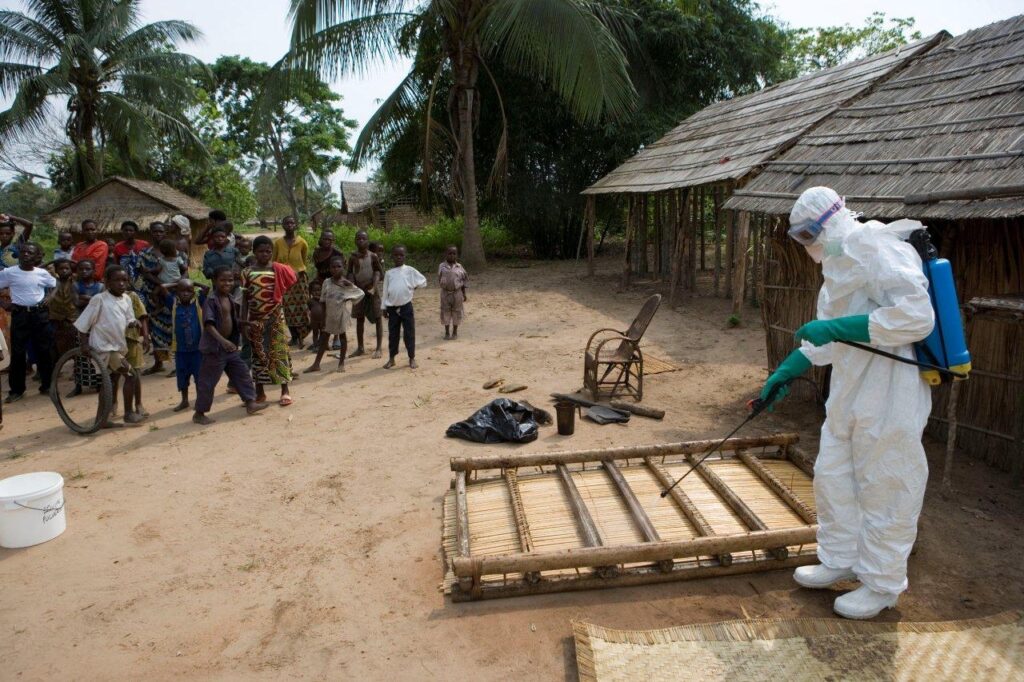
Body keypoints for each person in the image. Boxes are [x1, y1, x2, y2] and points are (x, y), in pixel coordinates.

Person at [759, 186, 935, 620]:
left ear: (829, 222)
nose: (805, 246)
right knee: (833, 474)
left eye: (807, 235)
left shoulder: (875, 245)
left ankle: (881, 584)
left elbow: (917, 315)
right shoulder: (836, 267)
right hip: (850, 387)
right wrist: (785, 372)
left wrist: (837, 327)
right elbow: (826, 338)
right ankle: (839, 557)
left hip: (891, 387)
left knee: (885, 482)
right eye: (797, 237)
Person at [193, 267, 269, 424]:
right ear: (214, 281)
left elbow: (234, 321)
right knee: (208, 382)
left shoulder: (230, 299)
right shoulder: (211, 301)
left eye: (230, 280)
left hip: (230, 347)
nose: (227, 283)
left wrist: (248, 323)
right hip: (215, 348)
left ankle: (250, 402)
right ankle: (199, 413)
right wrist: (223, 341)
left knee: (242, 373)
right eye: (223, 280)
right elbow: (208, 325)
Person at [74, 265, 142, 426]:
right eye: (117, 280)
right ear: (107, 282)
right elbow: (83, 325)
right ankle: (128, 413)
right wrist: (84, 345)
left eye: (124, 280)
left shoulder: (126, 299)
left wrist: (134, 322)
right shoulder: (99, 299)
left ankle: (101, 420)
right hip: (104, 348)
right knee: (131, 375)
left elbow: (129, 318)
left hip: (118, 346)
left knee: (109, 383)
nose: (121, 284)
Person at [242, 236, 296, 406]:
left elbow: (291, 281)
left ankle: (285, 390)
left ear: (272, 252)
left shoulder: (278, 270)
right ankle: (260, 392)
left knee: (279, 353)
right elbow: (245, 299)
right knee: (258, 355)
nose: (265, 254)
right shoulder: (247, 273)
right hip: (255, 320)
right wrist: (244, 321)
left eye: (268, 251)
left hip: (275, 318)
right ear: (254, 252)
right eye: (260, 251)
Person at [0, 243, 55, 402]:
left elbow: (54, 285)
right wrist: (3, 304)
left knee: (44, 350)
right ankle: (17, 390)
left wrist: (49, 298)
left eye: (30, 253)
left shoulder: (42, 273)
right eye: (23, 252)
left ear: (37, 256)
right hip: (20, 315)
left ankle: (47, 385)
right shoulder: (10, 273)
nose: (25, 255)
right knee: (18, 353)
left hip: (39, 315)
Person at [305, 256, 363, 373]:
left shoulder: (345, 284)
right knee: (324, 339)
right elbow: (322, 300)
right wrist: (323, 316)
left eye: (338, 266)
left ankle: (341, 363)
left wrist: (348, 296)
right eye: (333, 267)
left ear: (343, 267)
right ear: (329, 268)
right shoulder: (327, 282)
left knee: (342, 338)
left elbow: (360, 293)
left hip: (340, 315)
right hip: (328, 316)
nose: (336, 269)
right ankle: (316, 364)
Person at [158, 278, 208, 412]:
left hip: (197, 349)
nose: (185, 293)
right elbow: (163, 286)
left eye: (189, 291)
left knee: (199, 376)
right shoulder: (173, 303)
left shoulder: (199, 302)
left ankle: (199, 400)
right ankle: (184, 400)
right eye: (182, 291)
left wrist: (194, 283)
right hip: (180, 349)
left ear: (193, 292)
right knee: (182, 376)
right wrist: (178, 283)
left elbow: (206, 288)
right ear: (176, 292)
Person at [381, 245, 426, 370]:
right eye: (396, 255)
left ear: (405, 256)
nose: (399, 257)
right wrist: (384, 307)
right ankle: (392, 358)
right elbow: (385, 291)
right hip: (392, 309)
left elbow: (423, 281)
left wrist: (413, 286)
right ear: (392, 257)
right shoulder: (389, 273)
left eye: (401, 255)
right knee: (393, 334)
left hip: (406, 307)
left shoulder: (410, 270)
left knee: (409, 333)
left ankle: (411, 357)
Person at [138, 223, 172, 375]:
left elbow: (184, 271)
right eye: (155, 231)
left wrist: (170, 285)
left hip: (172, 294)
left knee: (177, 329)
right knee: (156, 330)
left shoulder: (175, 252)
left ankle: (179, 365)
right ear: (150, 233)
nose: (158, 234)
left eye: (161, 231)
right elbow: (145, 274)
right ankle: (159, 363)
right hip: (153, 296)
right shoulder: (145, 253)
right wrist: (162, 284)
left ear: (165, 233)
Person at [273, 216, 310, 346]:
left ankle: (302, 336)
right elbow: (274, 261)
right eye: (287, 223)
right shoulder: (278, 243)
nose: (289, 225)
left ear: (296, 225)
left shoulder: (302, 242)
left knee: (303, 307)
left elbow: (304, 260)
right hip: (284, 281)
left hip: (299, 279)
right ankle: (294, 336)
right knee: (288, 308)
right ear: (282, 225)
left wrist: (296, 272)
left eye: (292, 222)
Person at [346, 230, 383, 358]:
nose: (361, 241)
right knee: (359, 319)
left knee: (378, 317)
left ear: (368, 241)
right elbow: (349, 273)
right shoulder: (352, 257)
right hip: (358, 292)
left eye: (363, 239)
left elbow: (379, 272)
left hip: (372, 291)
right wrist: (352, 285)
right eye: (358, 239)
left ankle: (379, 348)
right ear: (355, 241)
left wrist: (374, 284)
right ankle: (360, 347)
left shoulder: (373, 256)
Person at [120, 288, 151, 420]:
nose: (121, 284)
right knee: (113, 376)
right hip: (113, 342)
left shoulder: (132, 296)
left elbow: (142, 316)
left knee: (135, 373)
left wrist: (145, 335)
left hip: (132, 340)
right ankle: (112, 405)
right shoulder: (101, 298)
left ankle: (138, 404)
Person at [46, 259, 80, 361]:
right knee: (55, 345)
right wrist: (52, 261)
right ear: (56, 270)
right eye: (61, 269)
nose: (64, 271)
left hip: (72, 317)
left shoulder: (75, 279)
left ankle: (77, 370)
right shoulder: (51, 280)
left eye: (67, 268)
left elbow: (82, 267)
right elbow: (38, 269)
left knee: (75, 344)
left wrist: (73, 262)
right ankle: (55, 370)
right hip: (55, 317)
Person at [438, 245, 468, 340]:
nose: (451, 255)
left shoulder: (460, 267)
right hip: (445, 293)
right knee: (445, 312)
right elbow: (439, 278)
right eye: (449, 253)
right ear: (445, 254)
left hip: (457, 293)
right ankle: (447, 332)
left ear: (457, 255)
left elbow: (463, 280)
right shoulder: (442, 266)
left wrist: (464, 294)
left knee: (457, 312)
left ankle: (455, 332)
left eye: (454, 254)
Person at [307, 278, 324, 351]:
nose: (317, 292)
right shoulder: (310, 301)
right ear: (311, 292)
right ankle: (315, 346)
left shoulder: (324, 300)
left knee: (323, 333)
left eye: (319, 290)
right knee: (315, 333)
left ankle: (322, 344)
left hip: (323, 321)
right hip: (314, 321)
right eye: (314, 291)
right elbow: (309, 310)